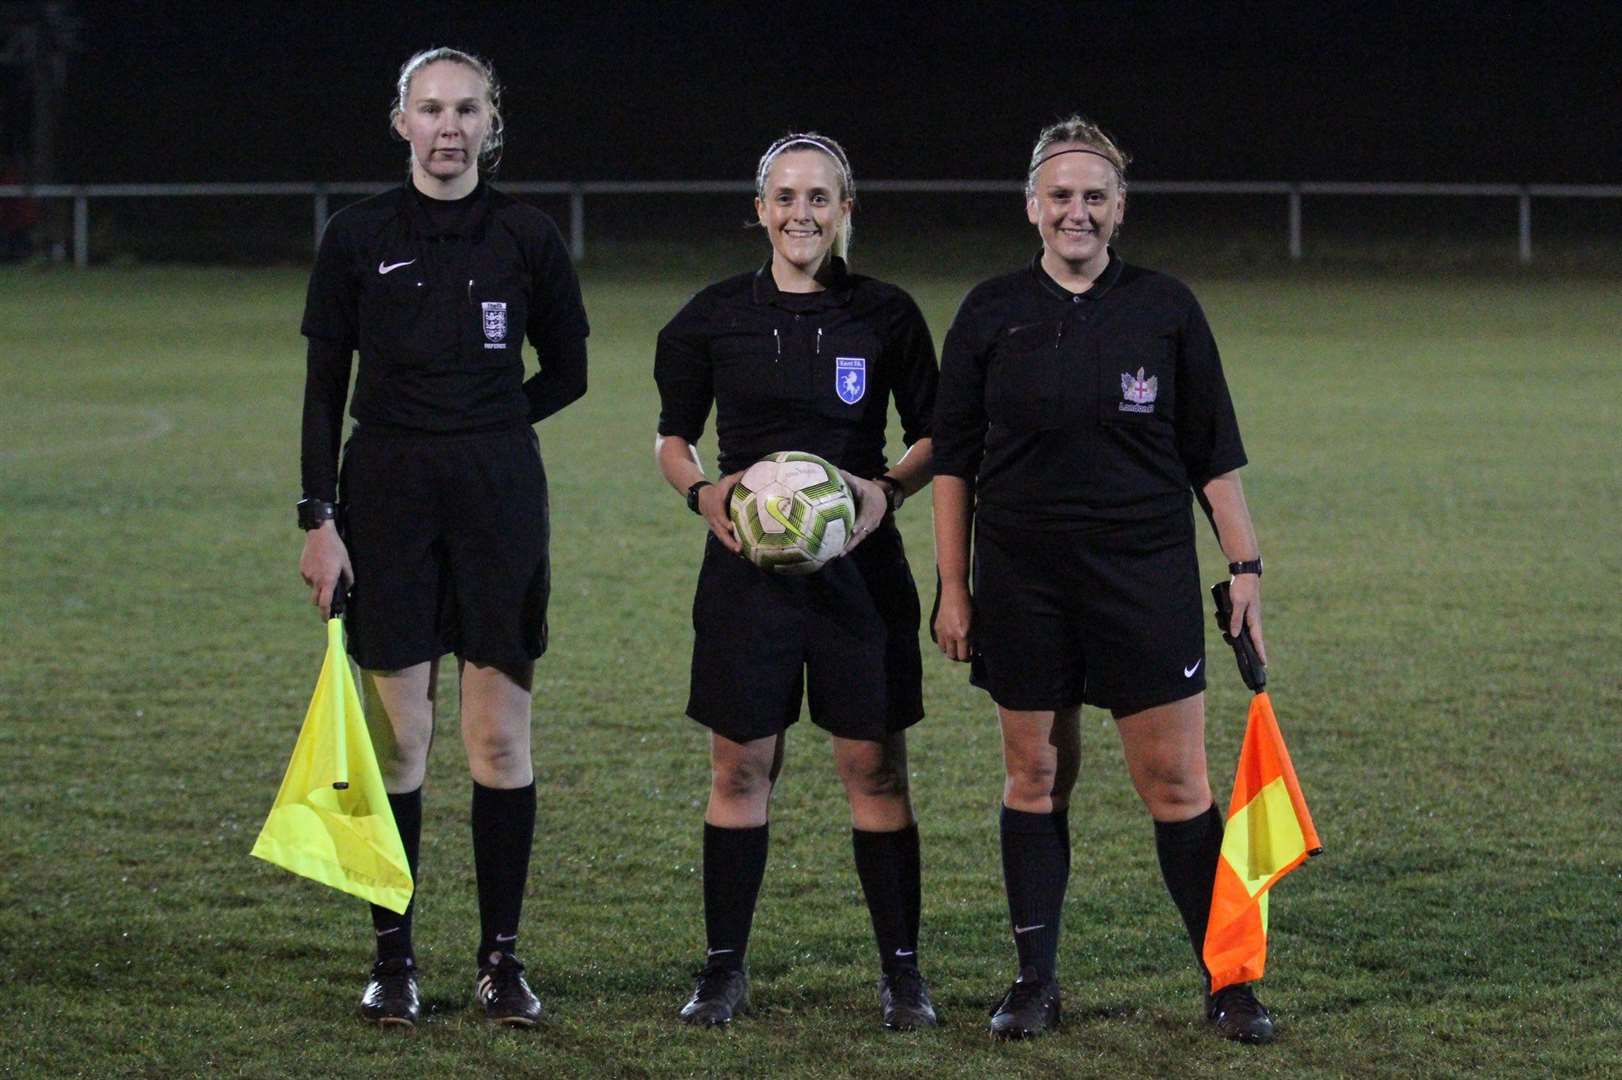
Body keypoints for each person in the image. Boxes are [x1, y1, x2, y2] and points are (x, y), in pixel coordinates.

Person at [931, 116, 1276, 1043]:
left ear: (1119, 209)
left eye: (1094, 196)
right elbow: (956, 462)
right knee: (1035, 773)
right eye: (1060, 195)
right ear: (1032, 207)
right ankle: (1034, 981)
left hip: (1144, 576)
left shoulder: (1165, 308)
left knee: (1176, 783)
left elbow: (1214, 456)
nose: (1076, 211)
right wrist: (952, 586)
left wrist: (1243, 566)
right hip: (1022, 578)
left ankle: (1227, 982)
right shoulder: (988, 311)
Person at [296, 47, 588, 1028]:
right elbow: (322, 388)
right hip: (383, 491)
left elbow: (571, 371)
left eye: (466, 108)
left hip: (499, 492)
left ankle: (500, 962)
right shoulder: (357, 234)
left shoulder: (528, 236)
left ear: (490, 123)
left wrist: (488, 423)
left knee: (498, 735)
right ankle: (395, 960)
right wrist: (317, 518)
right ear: (401, 121)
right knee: (404, 738)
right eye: (431, 108)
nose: (449, 125)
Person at [653, 133, 941, 1031]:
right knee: (740, 766)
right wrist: (704, 493)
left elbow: (938, 436)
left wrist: (884, 489)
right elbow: (671, 438)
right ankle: (722, 972)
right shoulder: (709, 318)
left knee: (875, 767)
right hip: (748, 577)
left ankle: (903, 977)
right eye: (784, 197)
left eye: (820, 198)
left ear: (846, 210)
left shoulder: (888, 315)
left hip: (861, 576)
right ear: (761, 210)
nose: (801, 213)